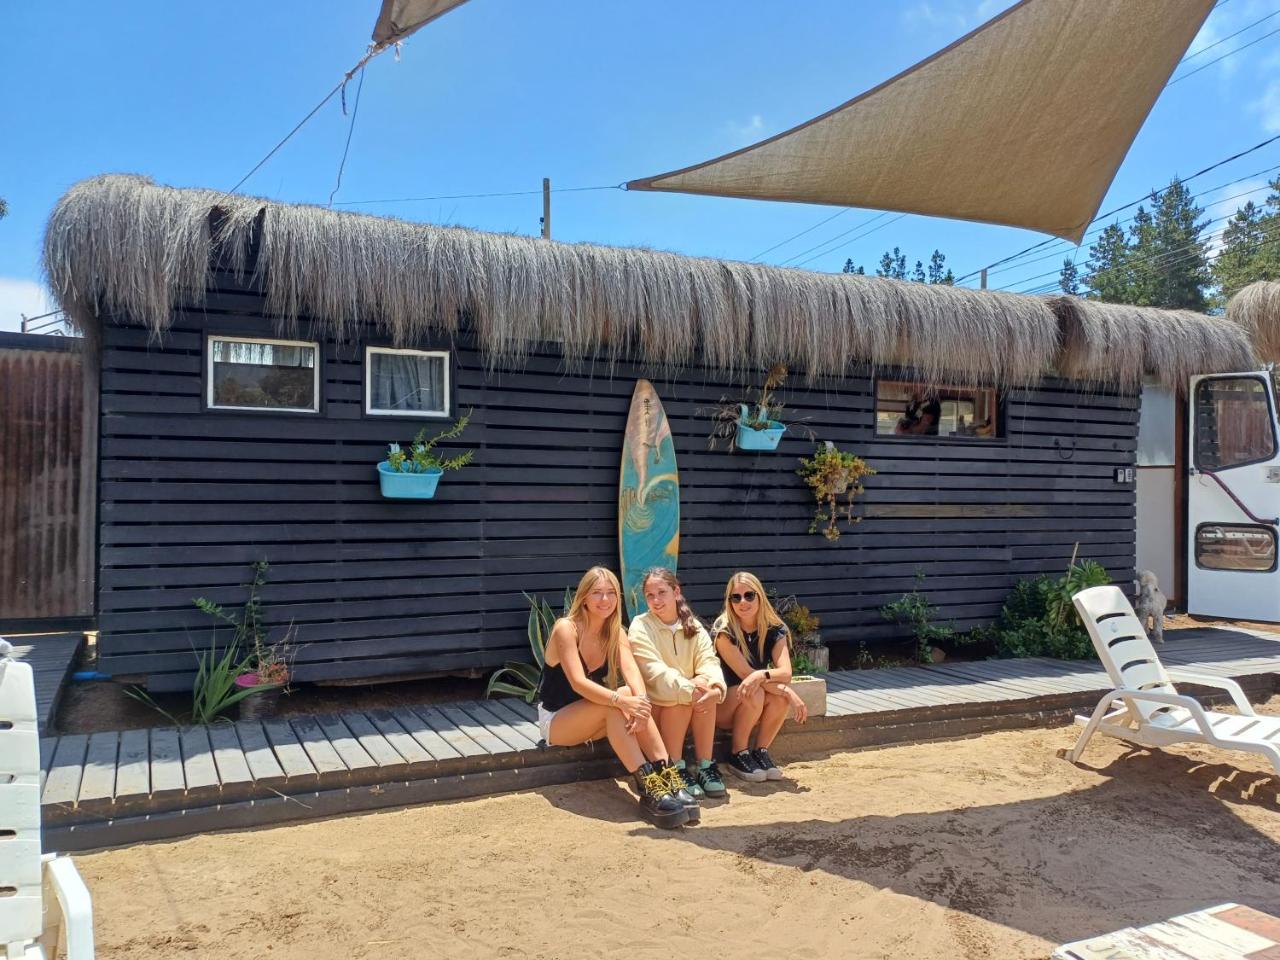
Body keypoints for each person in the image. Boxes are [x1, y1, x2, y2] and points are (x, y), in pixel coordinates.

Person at [537, 566, 693, 828]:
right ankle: (649, 787)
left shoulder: (615, 631)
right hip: (557, 721)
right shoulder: (567, 628)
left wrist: (641, 706)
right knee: (615, 703)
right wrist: (624, 703)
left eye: (611, 593)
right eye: (597, 593)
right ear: (584, 597)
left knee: (628, 694)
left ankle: (668, 774)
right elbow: (578, 683)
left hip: (594, 717)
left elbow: (631, 671)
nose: (605, 599)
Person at [628, 567, 729, 803]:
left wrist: (715, 688)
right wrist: (690, 689)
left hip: (689, 701)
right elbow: (654, 672)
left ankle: (705, 766)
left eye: (661, 593)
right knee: (682, 698)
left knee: (706, 690)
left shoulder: (693, 626)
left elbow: (709, 661)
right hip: (656, 707)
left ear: (676, 592)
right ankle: (675, 766)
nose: (656, 600)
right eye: (650, 596)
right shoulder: (640, 626)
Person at [712, 572, 809, 781]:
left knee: (775, 697)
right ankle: (738, 753)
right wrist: (787, 691)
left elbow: (785, 672)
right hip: (723, 705)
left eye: (749, 595)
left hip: (753, 703)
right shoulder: (724, 631)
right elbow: (745, 675)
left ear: (760, 596)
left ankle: (760, 751)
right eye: (736, 597)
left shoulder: (775, 629)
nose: (743, 602)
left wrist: (764, 677)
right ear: (729, 601)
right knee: (755, 691)